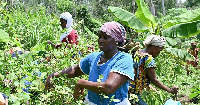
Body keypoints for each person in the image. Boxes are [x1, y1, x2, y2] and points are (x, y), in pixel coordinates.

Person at [45, 22, 135, 105]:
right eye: (100, 36)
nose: (100, 40)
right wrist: (53, 75)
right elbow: (75, 70)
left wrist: (82, 83)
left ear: (116, 40)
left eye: (105, 37)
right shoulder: (94, 57)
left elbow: (109, 87)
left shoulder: (124, 59)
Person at [128, 35, 179, 105]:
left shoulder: (137, 52)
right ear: (154, 47)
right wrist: (170, 90)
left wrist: (150, 87)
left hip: (127, 88)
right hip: (133, 92)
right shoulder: (149, 59)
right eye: (160, 50)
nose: (159, 53)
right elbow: (154, 79)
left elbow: (139, 74)